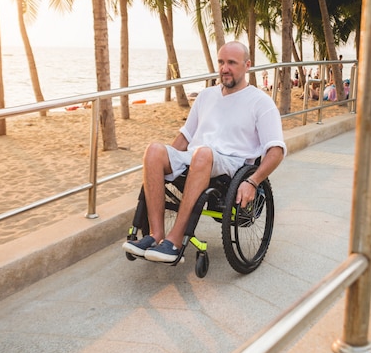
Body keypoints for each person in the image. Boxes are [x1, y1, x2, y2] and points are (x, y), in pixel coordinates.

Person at [122, 41, 287, 263]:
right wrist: (165, 161)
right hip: (197, 156)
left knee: (203, 153)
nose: (224, 68)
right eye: (221, 62)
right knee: (154, 150)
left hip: (231, 163)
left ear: (247, 65)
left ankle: (175, 241)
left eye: (231, 63)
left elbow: (276, 150)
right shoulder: (206, 96)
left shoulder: (260, 103)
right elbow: (185, 138)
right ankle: (156, 235)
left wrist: (254, 181)